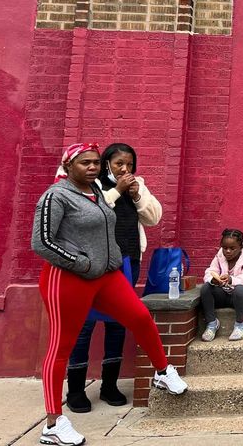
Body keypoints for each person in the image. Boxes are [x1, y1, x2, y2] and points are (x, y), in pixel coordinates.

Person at [32, 143, 186, 446]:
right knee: (62, 346)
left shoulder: (98, 193)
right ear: (69, 166)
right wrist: (81, 263)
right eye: (85, 163)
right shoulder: (56, 195)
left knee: (140, 317)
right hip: (68, 279)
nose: (92, 167)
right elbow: (42, 242)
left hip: (108, 275)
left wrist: (110, 260)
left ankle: (163, 372)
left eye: (95, 163)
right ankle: (53, 423)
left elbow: (131, 222)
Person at [65, 143, 162, 413]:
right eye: (119, 163)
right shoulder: (90, 185)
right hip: (93, 264)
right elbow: (89, 214)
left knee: (119, 322)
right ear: (106, 162)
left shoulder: (136, 184)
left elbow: (153, 218)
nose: (125, 169)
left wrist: (137, 194)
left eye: (130, 164)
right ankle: (75, 389)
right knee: (84, 323)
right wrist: (117, 192)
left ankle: (109, 385)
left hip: (128, 261)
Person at [200, 228, 243, 342]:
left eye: (232, 248)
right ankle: (212, 324)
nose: (228, 251)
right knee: (206, 288)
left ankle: (240, 324)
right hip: (223, 294)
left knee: (241, 289)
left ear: (241, 247)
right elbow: (210, 271)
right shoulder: (219, 256)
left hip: (239, 298)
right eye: (225, 248)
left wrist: (231, 279)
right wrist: (213, 280)